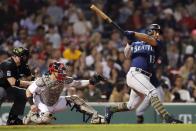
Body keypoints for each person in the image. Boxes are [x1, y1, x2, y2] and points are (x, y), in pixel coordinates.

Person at [104, 24, 183, 124]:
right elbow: (127, 55)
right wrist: (129, 42)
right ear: (149, 31)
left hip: (145, 77)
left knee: (131, 106)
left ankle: (110, 109)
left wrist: (133, 33)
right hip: (135, 73)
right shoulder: (136, 43)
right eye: (156, 31)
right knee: (153, 92)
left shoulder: (157, 43)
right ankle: (167, 118)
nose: (158, 34)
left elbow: (148, 39)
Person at [23, 62, 106, 124]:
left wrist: (91, 81)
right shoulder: (43, 80)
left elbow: (77, 83)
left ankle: (94, 117)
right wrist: (32, 105)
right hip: (42, 103)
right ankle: (32, 116)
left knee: (75, 99)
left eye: (62, 71)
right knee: (46, 119)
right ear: (53, 71)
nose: (62, 73)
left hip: (56, 102)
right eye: (59, 71)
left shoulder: (64, 79)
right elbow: (28, 91)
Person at [0, 47, 32, 125]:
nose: (25, 58)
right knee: (1, 93)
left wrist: (41, 80)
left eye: (26, 56)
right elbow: (13, 82)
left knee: (23, 94)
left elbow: (30, 77)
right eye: (23, 56)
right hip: (1, 87)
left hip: (7, 87)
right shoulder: (7, 64)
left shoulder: (23, 65)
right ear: (16, 56)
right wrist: (29, 83)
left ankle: (12, 119)